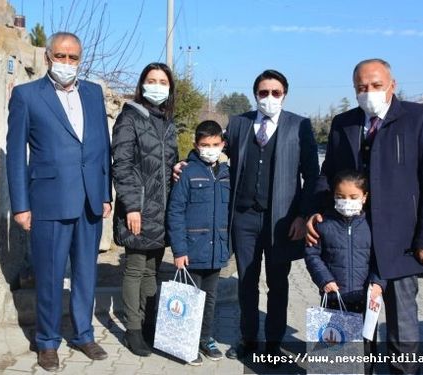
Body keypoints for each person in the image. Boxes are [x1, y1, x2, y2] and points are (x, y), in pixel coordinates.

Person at [306, 58, 423, 374]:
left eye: (375, 86)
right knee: (350, 320)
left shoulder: (420, 119)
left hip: (401, 241)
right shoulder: (344, 122)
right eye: (361, 87)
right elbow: (327, 174)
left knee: (402, 324)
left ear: (392, 85)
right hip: (350, 239)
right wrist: (316, 211)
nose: (368, 92)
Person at [6, 32, 112, 371]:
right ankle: (47, 341)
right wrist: (21, 205)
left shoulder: (94, 94)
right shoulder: (27, 96)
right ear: (48, 57)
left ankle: (83, 333)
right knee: (50, 274)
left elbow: (102, 149)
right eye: (61, 56)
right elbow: (15, 155)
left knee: (85, 273)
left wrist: (106, 192)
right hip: (49, 200)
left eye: (74, 58)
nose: (67, 64)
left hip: (90, 200)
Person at [223, 69, 320, 360]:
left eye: (275, 93)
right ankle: (248, 338)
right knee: (246, 281)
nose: (269, 98)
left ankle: (274, 341)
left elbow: (312, 175)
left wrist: (303, 216)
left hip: (282, 221)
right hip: (244, 218)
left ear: (284, 95)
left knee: (278, 283)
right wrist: (187, 163)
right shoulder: (239, 123)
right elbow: (213, 151)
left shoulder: (299, 125)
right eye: (263, 93)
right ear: (256, 95)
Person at [111, 62, 178, 357]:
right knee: (136, 269)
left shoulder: (166, 121)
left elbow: (165, 163)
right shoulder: (130, 118)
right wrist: (131, 207)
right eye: (152, 80)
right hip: (137, 208)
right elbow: (122, 165)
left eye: (163, 81)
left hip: (162, 209)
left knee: (153, 269)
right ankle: (133, 330)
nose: (157, 86)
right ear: (142, 85)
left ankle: (150, 324)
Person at [305, 170, 385, 373]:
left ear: (365, 197)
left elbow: (382, 258)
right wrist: (325, 279)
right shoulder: (324, 224)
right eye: (340, 197)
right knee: (334, 350)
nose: (346, 202)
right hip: (333, 297)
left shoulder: (372, 226)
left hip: (364, 299)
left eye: (353, 197)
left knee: (364, 350)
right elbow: (312, 254)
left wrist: (378, 282)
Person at [167, 120, 230, 365]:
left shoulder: (227, 174)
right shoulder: (187, 172)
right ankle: (186, 341)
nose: (210, 149)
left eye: (215, 144)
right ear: (196, 145)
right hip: (192, 250)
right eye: (205, 145)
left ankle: (206, 338)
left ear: (222, 144)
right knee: (190, 297)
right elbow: (175, 211)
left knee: (210, 298)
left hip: (216, 251)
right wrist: (179, 249)